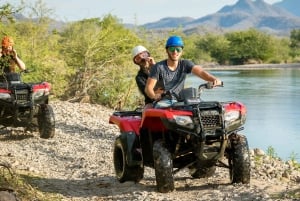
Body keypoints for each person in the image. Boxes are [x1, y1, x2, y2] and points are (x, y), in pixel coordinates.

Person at [145, 35, 222, 108]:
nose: (175, 52)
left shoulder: (185, 64)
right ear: (167, 50)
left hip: (182, 100)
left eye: (178, 49)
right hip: (164, 101)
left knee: (202, 108)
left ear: (181, 51)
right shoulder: (158, 67)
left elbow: (201, 72)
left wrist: (214, 79)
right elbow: (148, 88)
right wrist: (154, 96)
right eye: (172, 49)